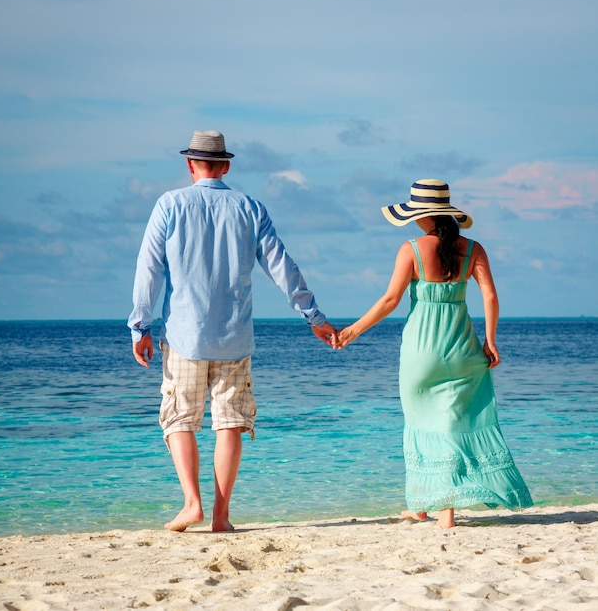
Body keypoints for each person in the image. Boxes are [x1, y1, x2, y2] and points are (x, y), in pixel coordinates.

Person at [128, 130, 338, 532]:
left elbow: (148, 270)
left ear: (190, 165)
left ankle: (192, 504)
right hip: (234, 337)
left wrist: (141, 326)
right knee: (230, 423)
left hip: (185, 336)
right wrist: (313, 316)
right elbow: (282, 267)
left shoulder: (169, 204)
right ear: (225, 165)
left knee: (179, 421)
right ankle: (221, 516)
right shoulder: (249, 207)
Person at [338, 179, 532, 528]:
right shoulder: (473, 249)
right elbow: (489, 297)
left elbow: (390, 301)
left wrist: (352, 331)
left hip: (421, 351)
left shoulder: (411, 249)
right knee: (454, 423)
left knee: (421, 424)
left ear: (421, 215)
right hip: (462, 348)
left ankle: (431, 508)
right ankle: (438, 509)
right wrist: (490, 341)